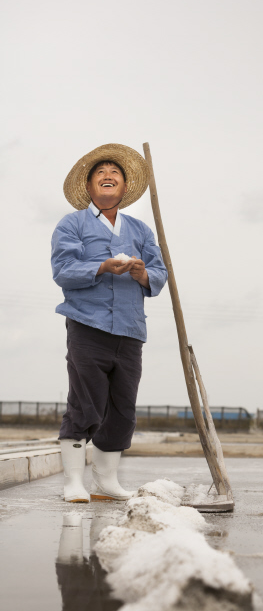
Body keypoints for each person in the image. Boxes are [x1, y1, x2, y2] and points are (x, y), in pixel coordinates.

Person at [51, 143, 168, 503]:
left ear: (124, 187)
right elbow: (63, 271)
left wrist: (141, 271)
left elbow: (160, 275)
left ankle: (107, 480)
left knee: (122, 407)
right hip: (87, 325)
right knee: (86, 402)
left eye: (114, 173)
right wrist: (102, 266)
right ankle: (73, 482)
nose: (107, 176)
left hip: (131, 329)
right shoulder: (72, 224)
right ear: (88, 188)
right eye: (99, 173)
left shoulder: (141, 230)